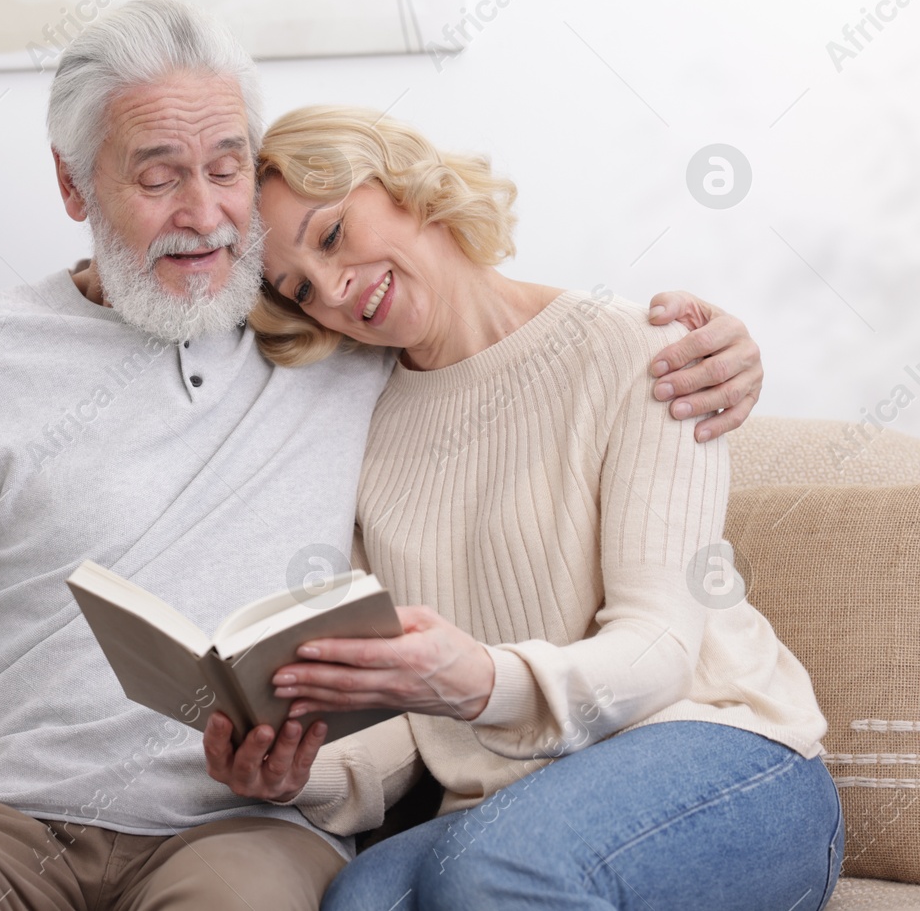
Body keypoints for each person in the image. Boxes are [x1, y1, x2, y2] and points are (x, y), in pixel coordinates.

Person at [0, 0, 768, 911]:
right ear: (74, 186)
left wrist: (709, 351)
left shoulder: (333, 333)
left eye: (225, 168)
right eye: (157, 175)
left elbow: (493, 341)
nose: (203, 214)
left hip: (235, 819)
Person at [202, 105, 841, 911]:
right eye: (299, 289)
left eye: (331, 235)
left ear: (400, 181)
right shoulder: (362, 434)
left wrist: (479, 680)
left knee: (491, 871)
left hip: (727, 756)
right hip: (509, 805)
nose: (332, 289)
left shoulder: (643, 351)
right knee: (361, 900)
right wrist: (293, 769)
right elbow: (411, 714)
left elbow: (661, 648)